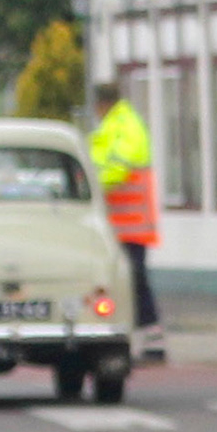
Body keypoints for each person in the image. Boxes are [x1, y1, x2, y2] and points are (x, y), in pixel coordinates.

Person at [89, 90, 164, 360]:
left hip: (130, 223)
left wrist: (92, 184)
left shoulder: (124, 126)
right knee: (129, 280)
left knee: (134, 279)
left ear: (102, 104)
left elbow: (117, 169)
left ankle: (152, 340)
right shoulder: (115, 125)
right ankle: (143, 338)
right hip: (119, 225)